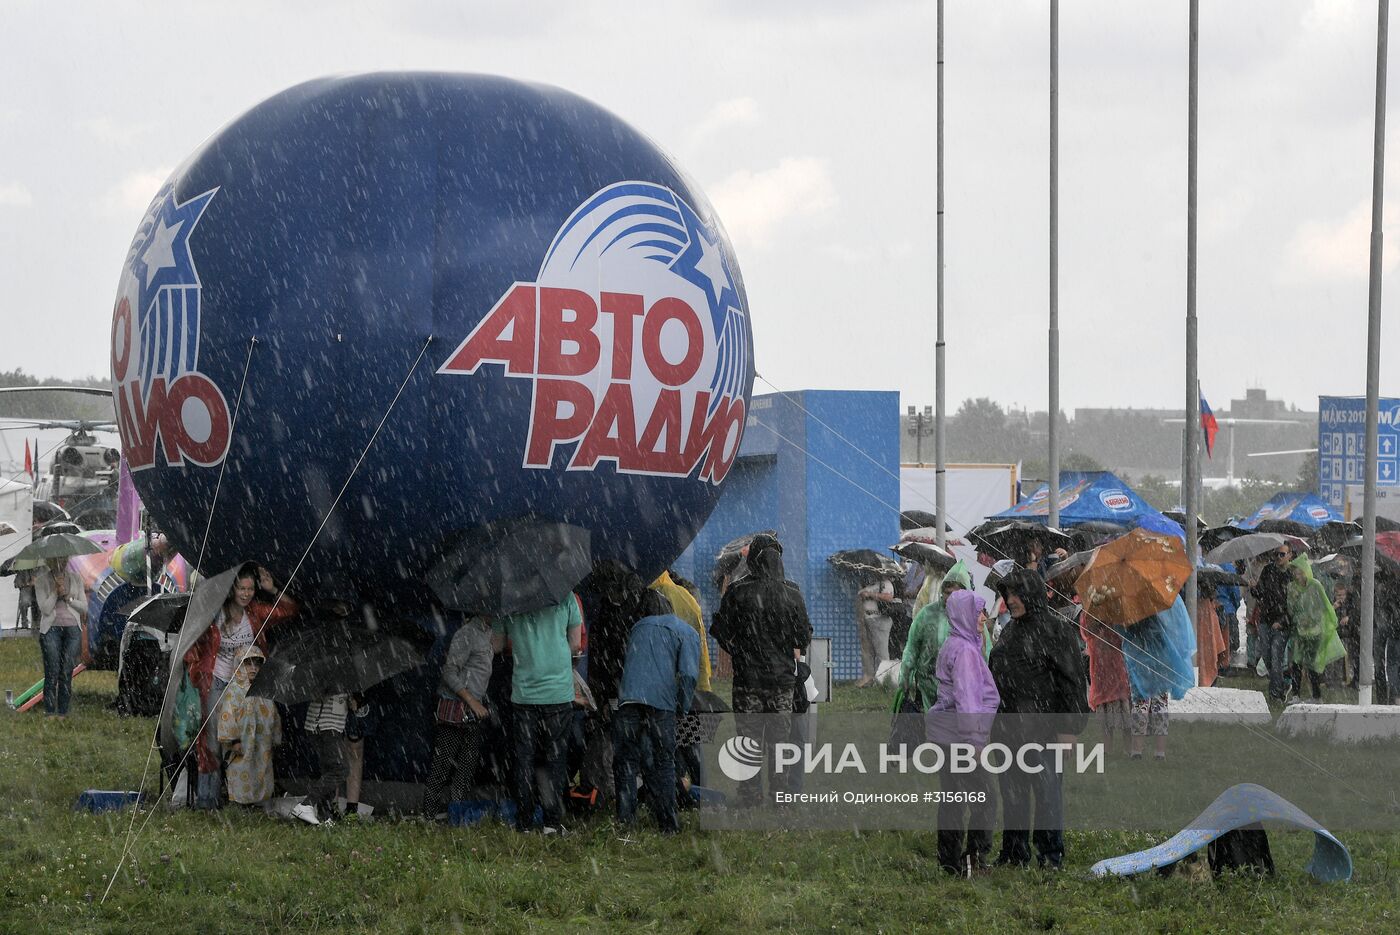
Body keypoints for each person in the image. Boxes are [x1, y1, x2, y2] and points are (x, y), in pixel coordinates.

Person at [988, 568, 1089, 869]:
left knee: (1046, 794)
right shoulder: (1009, 630)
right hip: (1008, 729)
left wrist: (1069, 729)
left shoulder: (1057, 631)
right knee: (1013, 794)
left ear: (1031, 594)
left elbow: (1072, 682)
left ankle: (1050, 855)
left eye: (1017, 594)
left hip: (1044, 731)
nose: (1011, 600)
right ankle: (1015, 854)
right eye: (1008, 594)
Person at [711, 534, 812, 808]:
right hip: (781, 683)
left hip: (747, 681)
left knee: (748, 742)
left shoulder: (737, 592)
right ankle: (780, 797)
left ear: (752, 560)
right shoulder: (792, 593)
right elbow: (803, 637)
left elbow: (720, 631)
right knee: (780, 745)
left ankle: (749, 795)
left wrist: (739, 651)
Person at [184, 564, 296, 809]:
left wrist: (273, 588)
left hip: (247, 683)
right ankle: (207, 799)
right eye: (241, 589)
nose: (246, 594)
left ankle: (247, 797)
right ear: (231, 590)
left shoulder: (255, 613)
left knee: (250, 738)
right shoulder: (216, 614)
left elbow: (289, 609)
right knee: (212, 739)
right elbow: (193, 640)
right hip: (218, 680)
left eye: (250, 589)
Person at [492, 594, 584, 833]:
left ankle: (523, 821)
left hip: (524, 694)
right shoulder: (566, 596)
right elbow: (575, 644)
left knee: (524, 759)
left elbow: (497, 645)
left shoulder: (510, 599)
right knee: (554, 759)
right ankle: (552, 823)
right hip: (558, 694)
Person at [925, 590, 1000, 875]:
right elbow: (968, 698)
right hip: (961, 737)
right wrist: (974, 742)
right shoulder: (966, 652)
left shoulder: (954, 644)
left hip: (945, 735)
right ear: (965, 614)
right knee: (985, 799)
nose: (984, 617)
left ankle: (950, 862)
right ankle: (975, 859)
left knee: (952, 798)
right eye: (979, 611)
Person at [613, 589, 700, 833]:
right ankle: (668, 825)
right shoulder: (687, 632)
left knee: (626, 763)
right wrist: (682, 706)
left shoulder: (638, 627)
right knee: (664, 762)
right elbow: (689, 674)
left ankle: (625, 824)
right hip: (661, 705)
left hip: (628, 701)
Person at [423, 614, 493, 818]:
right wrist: (471, 700)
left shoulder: (488, 633)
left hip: (474, 711)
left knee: (467, 764)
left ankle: (456, 811)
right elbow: (449, 672)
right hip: (456, 707)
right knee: (443, 762)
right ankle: (429, 814)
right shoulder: (467, 633)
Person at [898, 560, 976, 713]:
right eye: (948, 593)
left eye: (957, 593)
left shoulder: (973, 618)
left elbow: (982, 653)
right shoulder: (927, 614)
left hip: (959, 690)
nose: (952, 598)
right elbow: (912, 647)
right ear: (942, 592)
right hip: (926, 685)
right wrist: (905, 675)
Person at [216, 647, 281, 807]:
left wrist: (275, 737)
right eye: (248, 664)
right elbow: (227, 716)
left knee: (261, 771)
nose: (253, 668)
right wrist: (234, 741)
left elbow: (274, 715)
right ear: (239, 665)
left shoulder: (264, 690)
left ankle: (259, 804)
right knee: (241, 771)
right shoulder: (234, 691)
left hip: (262, 743)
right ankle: (240, 806)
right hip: (242, 743)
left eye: (257, 665)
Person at [1286, 555, 1346, 702]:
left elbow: (1325, 606)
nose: (1298, 575)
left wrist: (1330, 620)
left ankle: (1316, 696)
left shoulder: (1315, 585)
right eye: (1295, 572)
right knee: (1296, 663)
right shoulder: (1292, 587)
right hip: (1299, 631)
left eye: (1300, 571)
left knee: (1312, 664)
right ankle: (1295, 695)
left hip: (1315, 632)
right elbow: (1291, 608)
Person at [34, 557, 87, 717]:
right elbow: (45, 609)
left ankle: (63, 712)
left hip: (72, 631)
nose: (60, 563)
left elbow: (84, 606)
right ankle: (50, 712)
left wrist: (68, 598)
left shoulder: (76, 578)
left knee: (66, 672)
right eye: (56, 560)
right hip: (51, 630)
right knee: (52, 670)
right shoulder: (41, 581)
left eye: (63, 559)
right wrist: (55, 592)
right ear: (49, 562)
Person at [1081, 610, 1131, 756]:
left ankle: (1127, 749)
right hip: (1100, 664)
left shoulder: (1119, 607)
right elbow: (1087, 631)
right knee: (1106, 709)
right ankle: (1108, 749)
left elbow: (1124, 633)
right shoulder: (1090, 609)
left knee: (1124, 709)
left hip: (1116, 663)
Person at [1253, 546, 1294, 702]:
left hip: (1283, 622)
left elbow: (1294, 602)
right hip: (1265, 619)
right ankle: (1282, 684)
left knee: (1276, 655)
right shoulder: (1268, 570)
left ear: (1290, 555)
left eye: (1282, 554)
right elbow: (1260, 593)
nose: (1278, 557)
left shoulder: (1292, 574)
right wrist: (1253, 588)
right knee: (1267, 657)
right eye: (1276, 554)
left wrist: (1282, 621)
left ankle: (1275, 695)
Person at [855, 570, 896, 687]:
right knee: (870, 651)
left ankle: (885, 679)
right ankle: (871, 678)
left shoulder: (886, 584)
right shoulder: (873, 584)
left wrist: (870, 595)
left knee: (881, 651)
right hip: (869, 618)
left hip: (880, 619)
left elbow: (888, 597)